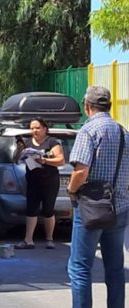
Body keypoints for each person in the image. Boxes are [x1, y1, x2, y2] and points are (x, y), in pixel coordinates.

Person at [67, 86, 129, 308]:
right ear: (109, 106)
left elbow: (81, 172)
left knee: (79, 267)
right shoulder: (123, 132)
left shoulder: (89, 131)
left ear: (87, 106)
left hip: (91, 208)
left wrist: (72, 190)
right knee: (114, 269)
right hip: (119, 207)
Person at [13, 117, 65, 250]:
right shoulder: (28, 143)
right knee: (31, 210)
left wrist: (45, 161)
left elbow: (61, 160)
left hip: (50, 181)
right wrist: (20, 153)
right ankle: (28, 240)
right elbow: (17, 160)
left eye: (37, 128)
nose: (34, 130)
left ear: (45, 129)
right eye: (32, 128)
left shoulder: (52, 142)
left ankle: (49, 239)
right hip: (33, 180)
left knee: (48, 209)